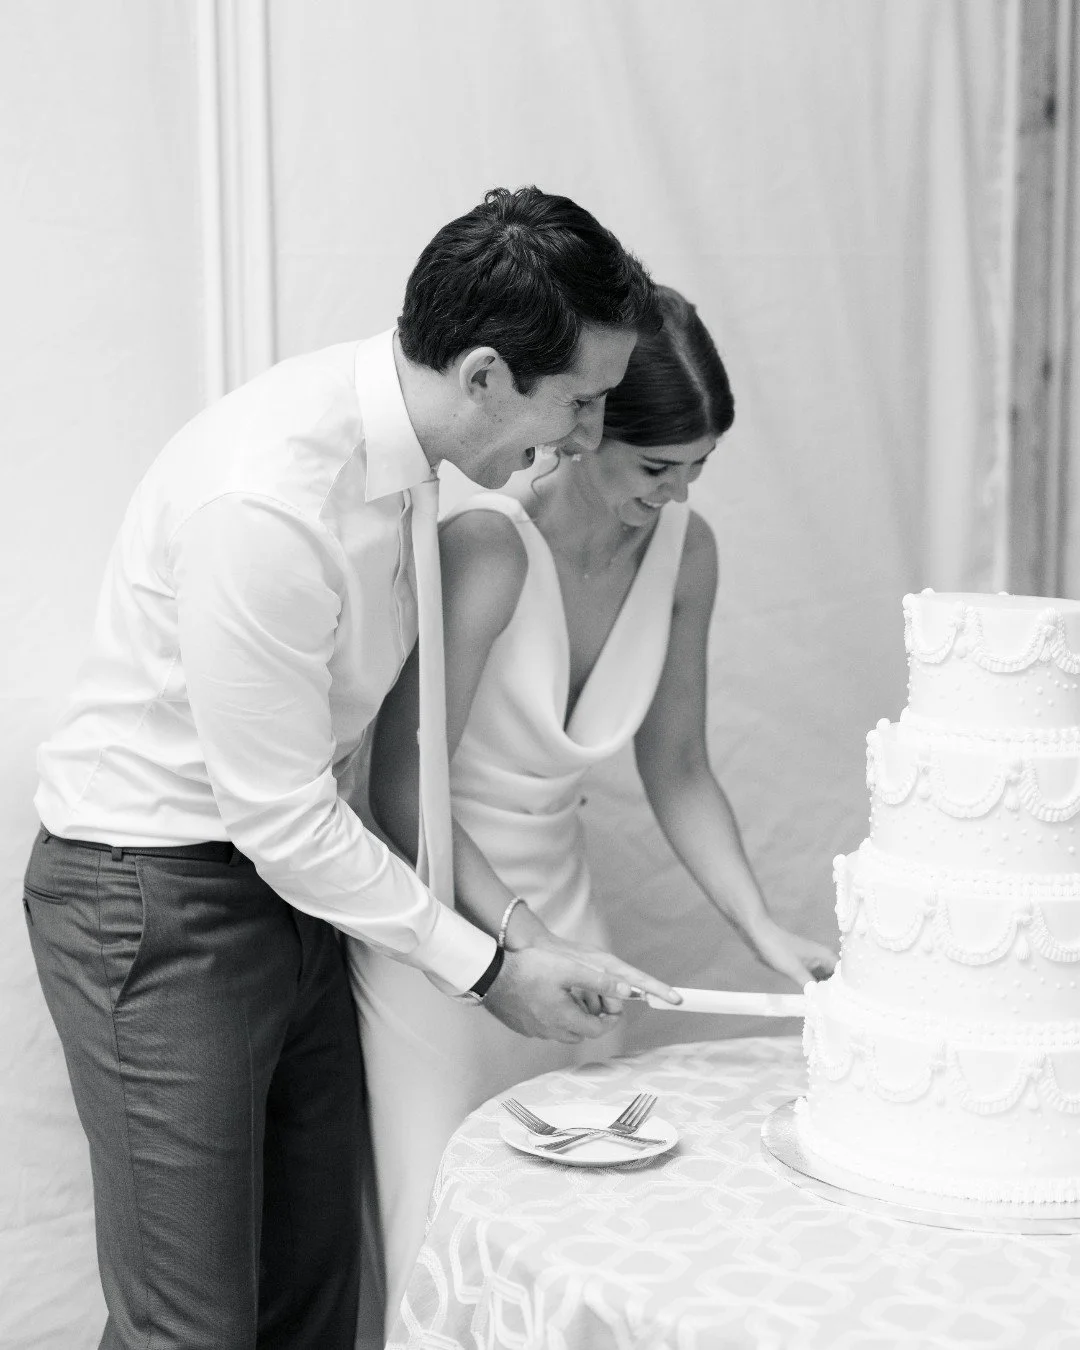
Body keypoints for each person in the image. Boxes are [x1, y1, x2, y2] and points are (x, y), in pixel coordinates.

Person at [23, 186, 682, 1350]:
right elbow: (280, 816)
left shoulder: (417, 450)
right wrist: (489, 970)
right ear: (485, 375)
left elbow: (344, 788)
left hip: (295, 892)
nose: (585, 438)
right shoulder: (267, 501)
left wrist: (523, 936)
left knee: (315, 1300)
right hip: (153, 900)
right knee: (194, 1330)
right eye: (577, 402)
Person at [354, 284, 838, 1327]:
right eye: (657, 468)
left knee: (574, 1233)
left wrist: (762, 929)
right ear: (584, 428)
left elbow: (680, 767)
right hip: (439, 924)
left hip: (572, 926)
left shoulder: (686, 551)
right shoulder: (485, 543)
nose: (677, 496)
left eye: (701, 469)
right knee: (434, 1230)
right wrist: (513, 947)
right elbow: (403, 787)